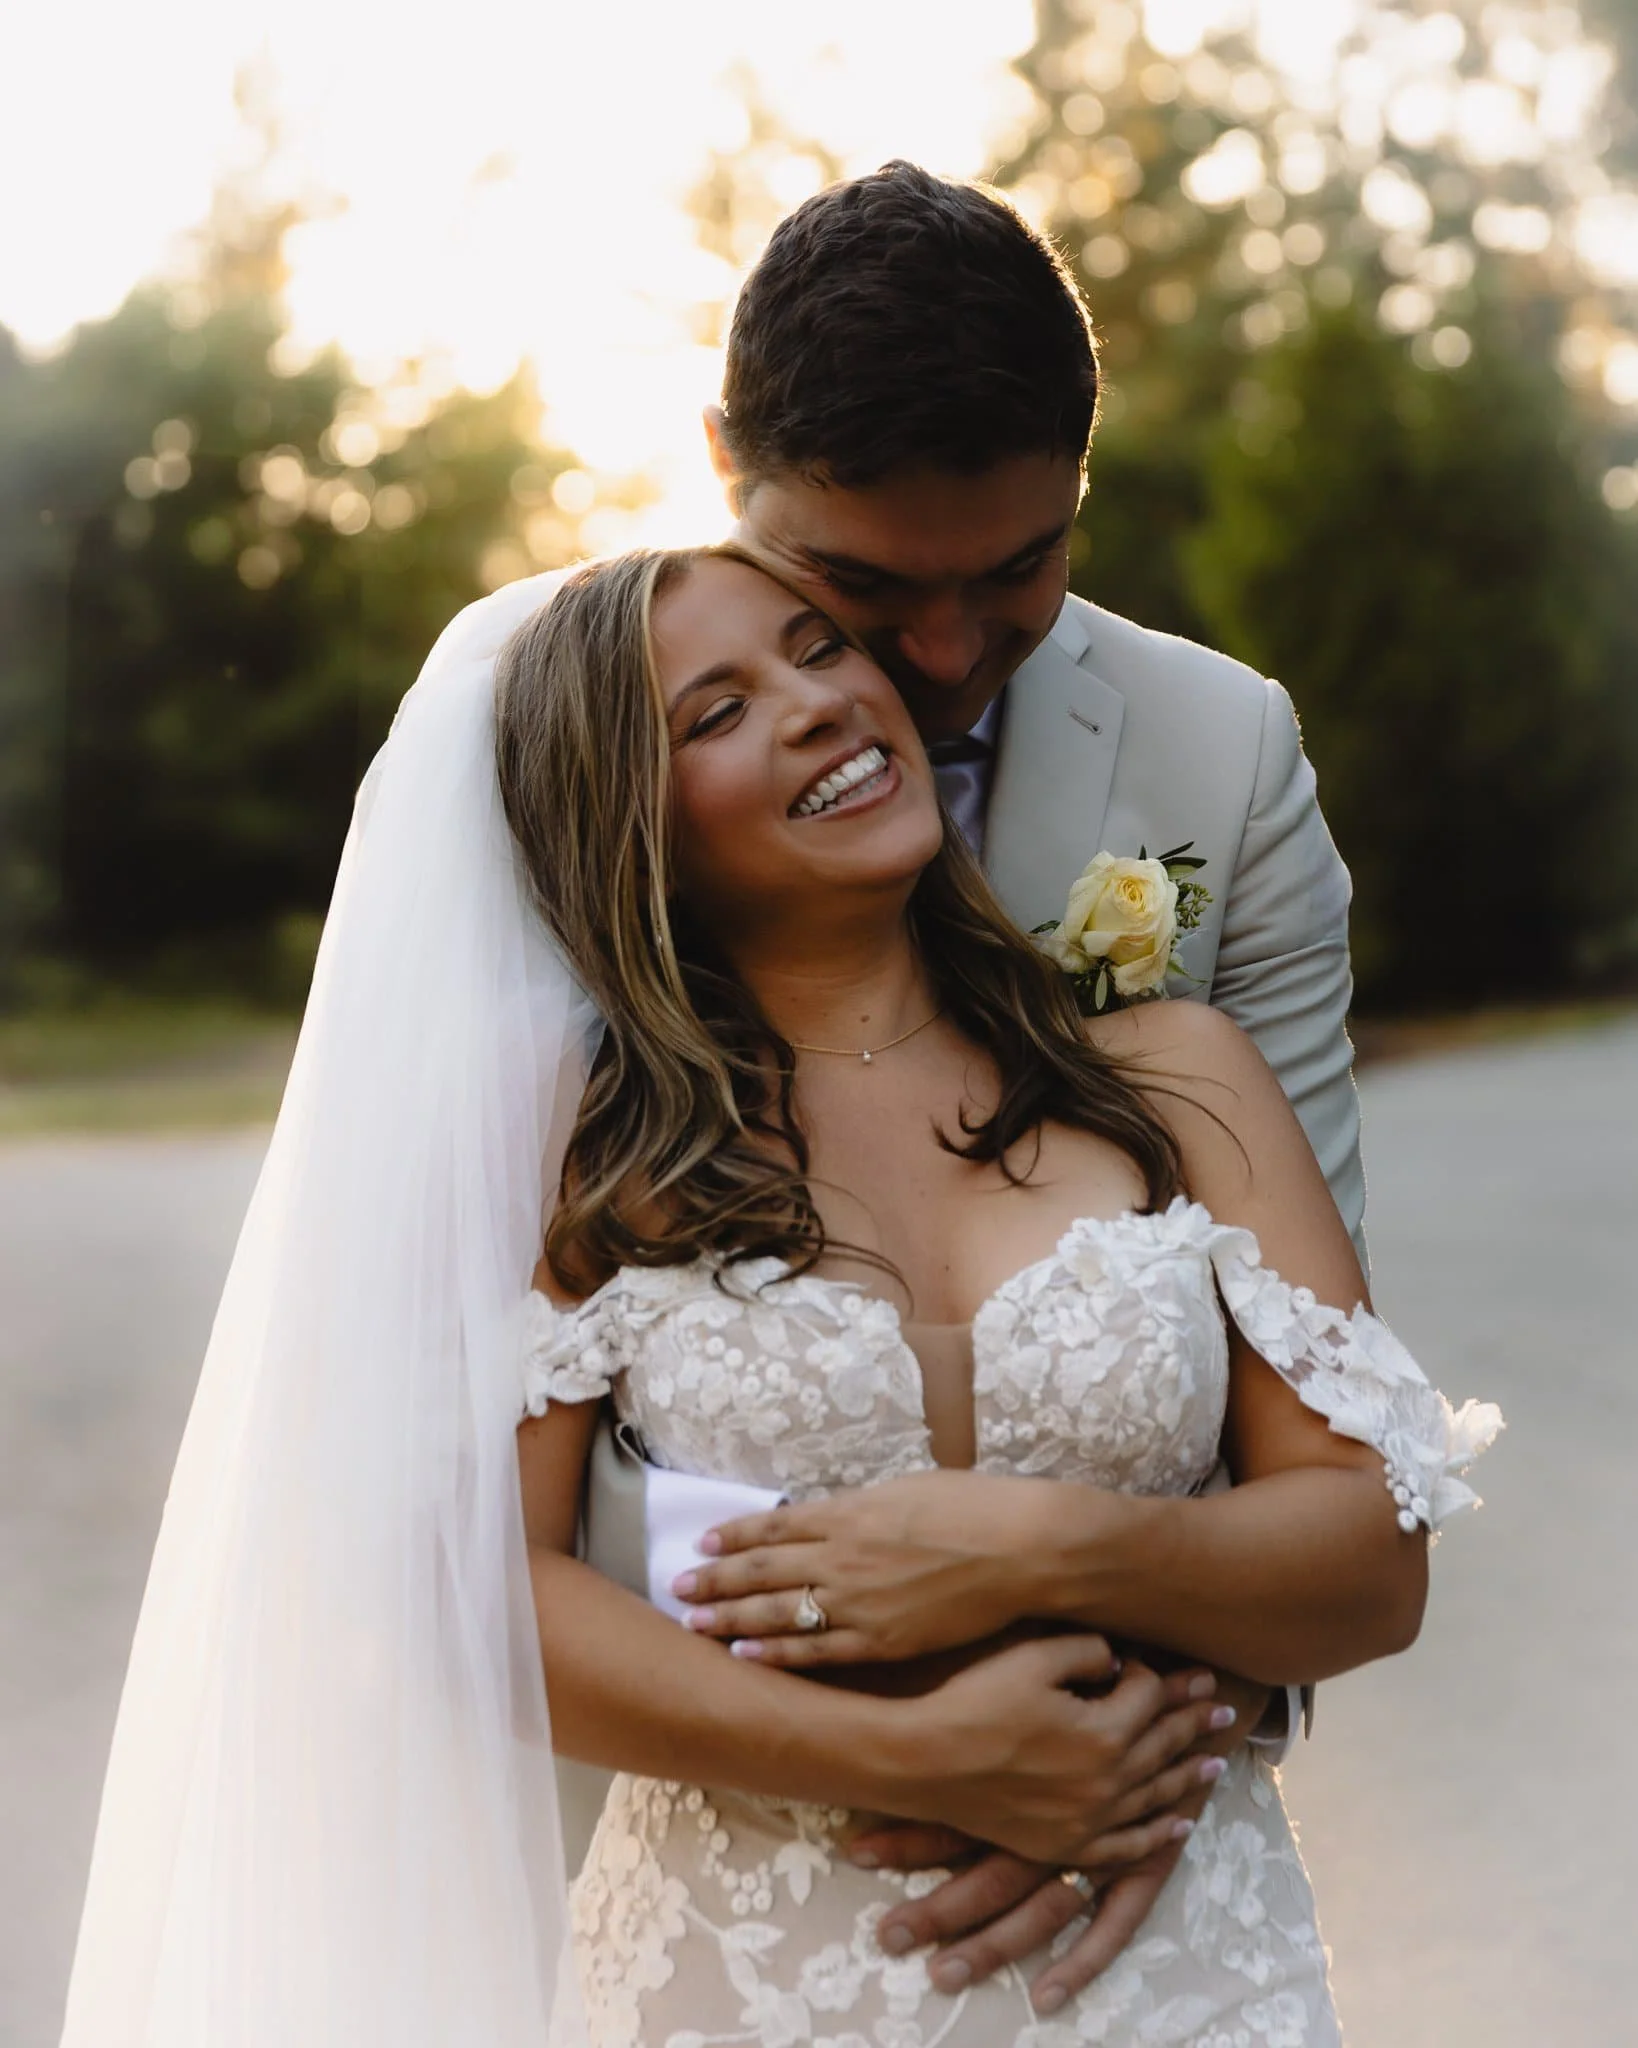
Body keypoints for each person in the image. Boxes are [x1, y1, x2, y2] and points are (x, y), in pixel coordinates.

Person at [498, 541, 1498, 2044]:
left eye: (819, 648)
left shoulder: (1171, 1080)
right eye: (714, 711)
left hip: (1176, 1975)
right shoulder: (589, 1151)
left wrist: (1044, 1544)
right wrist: (917, 1760)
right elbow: (491, 1597)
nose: (819, 703)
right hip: (744, 1980)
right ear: (623, 827)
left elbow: (1371, 1559)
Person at [566, 159, 1367, 1998]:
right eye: (859, 586)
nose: (935, 661)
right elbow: (471, 1483)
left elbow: (1311, 1382)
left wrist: (1125, 1735)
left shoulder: (1218, 753)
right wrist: (892, 1750)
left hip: (1134, 1824)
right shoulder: (585, 765)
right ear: (721, 461)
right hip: (731, 1805)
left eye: (1018, 570)